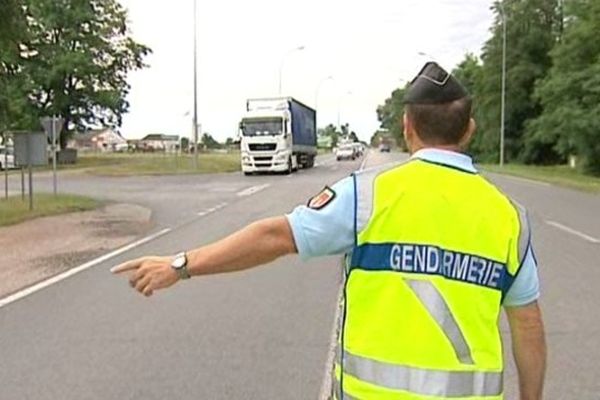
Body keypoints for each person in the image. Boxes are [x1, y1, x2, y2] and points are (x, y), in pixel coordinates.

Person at [112, 62, 546, 400]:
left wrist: (180, 265)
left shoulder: (368, 196)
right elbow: (528, 328)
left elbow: (274, 236)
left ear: (407, 128)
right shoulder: (509, 217)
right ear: (469, 130)